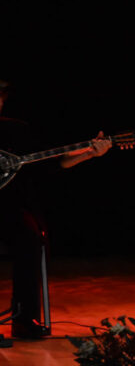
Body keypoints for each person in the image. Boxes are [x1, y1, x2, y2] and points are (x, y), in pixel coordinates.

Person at [0, 79, 112, 338]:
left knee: (30, 237)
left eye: (1, 98)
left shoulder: (17, 131)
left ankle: (24, 319)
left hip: (6, 209)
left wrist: (90, 153)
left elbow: (53, 163)